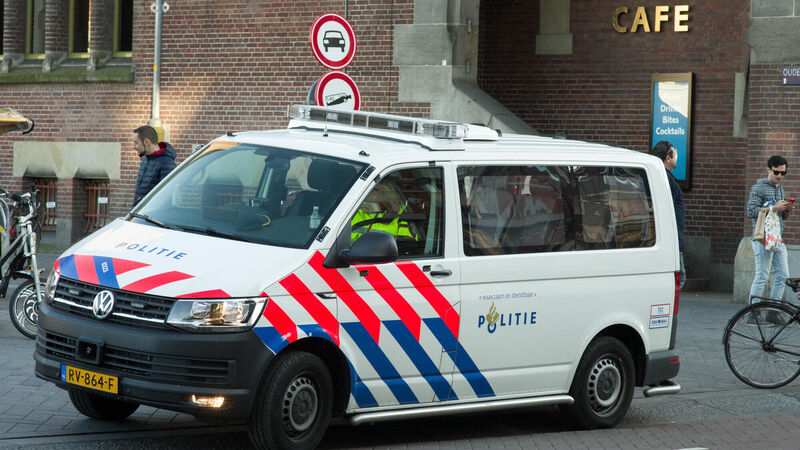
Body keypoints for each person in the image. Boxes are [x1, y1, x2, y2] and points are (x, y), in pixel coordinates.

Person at [747, 155, 794, 304]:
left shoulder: (780, 188)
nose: (779, 176)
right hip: (762, 238)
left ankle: (774, 310)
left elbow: (781, 217)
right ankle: (752, 311)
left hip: (777, 238)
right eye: (776, 172)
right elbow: (751, 211)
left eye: (783, 173)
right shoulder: (758, 187)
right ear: (768, 169)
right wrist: (773, 208)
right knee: (762, 276)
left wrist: (786, 210)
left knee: (783, 276)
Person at [651, 141, 686, 289]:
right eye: (675, 154)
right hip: (671, 239)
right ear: (668, 158)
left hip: (669, 237)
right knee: (679, 277)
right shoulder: (666, 180)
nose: (677, 157)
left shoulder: (662, 177)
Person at [132, 125, 176, 207]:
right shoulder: (146, 159)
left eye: (136, 143)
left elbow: (165, 197)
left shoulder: (167, 163)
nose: (134, 147)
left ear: (146, 142)